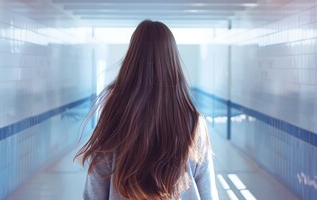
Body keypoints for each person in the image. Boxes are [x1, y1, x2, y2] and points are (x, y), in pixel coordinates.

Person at [75, 20, 219, 200]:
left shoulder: (114, 120)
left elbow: (94, 193)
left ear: (132, 60)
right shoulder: (193, 123)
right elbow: (207, 192)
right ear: (172, 62)